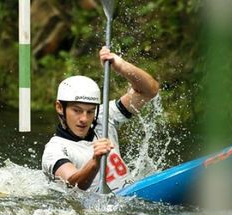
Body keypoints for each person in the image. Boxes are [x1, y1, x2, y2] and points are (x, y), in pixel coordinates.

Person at [41, 46, 160, 192]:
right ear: (60, 107)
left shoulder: (103, 118)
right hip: (97, 211)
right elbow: (72, 183)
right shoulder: (55, 149)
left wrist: (121, 66)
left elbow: (150, 91)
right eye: (77, 110)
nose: (84, 119)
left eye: (90, 111)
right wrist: (95, 161)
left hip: (131, 196)